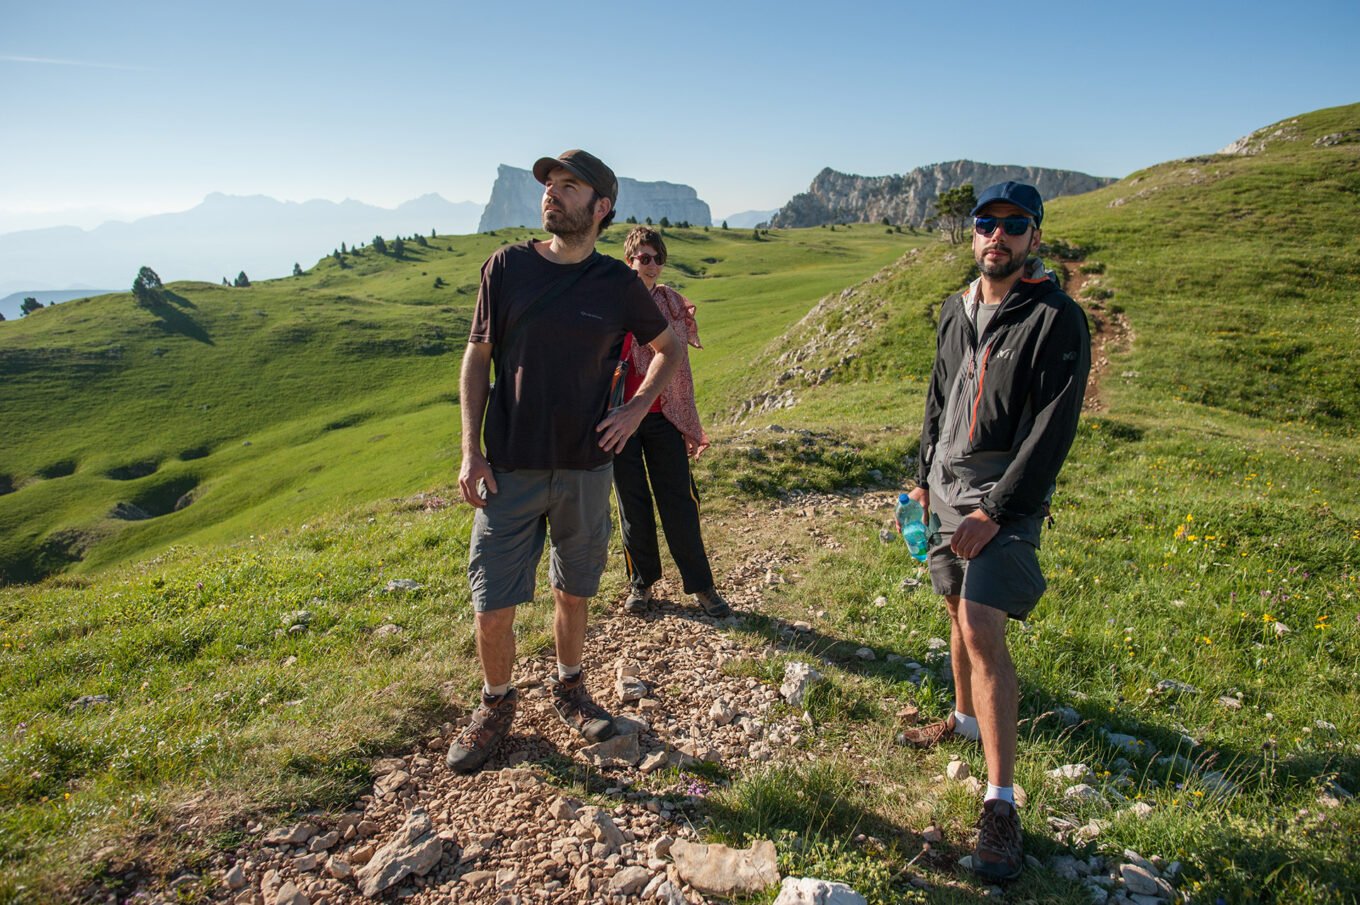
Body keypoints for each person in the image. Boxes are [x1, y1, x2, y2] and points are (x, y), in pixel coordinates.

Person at [448, 149, 682, 774]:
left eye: (568, 185)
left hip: (584, 469)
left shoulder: (617, 283)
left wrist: (634, 411)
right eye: (549, 183)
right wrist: (470, 451)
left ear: (601, 208)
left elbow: (669, 346)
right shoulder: (507, 268)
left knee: (573, 592)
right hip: (510, 467)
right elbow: (477, 359)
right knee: (492, 599)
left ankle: (570, 688)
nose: (552, 192)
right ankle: (496, 705)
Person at [899, 181, 1090, 880]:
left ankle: (1001, 802)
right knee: (953, 607)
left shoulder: (1055, 318)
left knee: (982, 623)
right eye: (987, 224)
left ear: (1034, 237)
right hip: (944, 489)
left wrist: (996, 511)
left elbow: (1052, 429)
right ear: (973, 233)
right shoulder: (956, 308)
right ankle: (963, 719)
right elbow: (939, 394)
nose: (998, 236)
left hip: (1001, 498)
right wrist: (921, 475)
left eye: (1015, 225)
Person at [612, 226, 730, 619]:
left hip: (664, 416)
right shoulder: (610, 303)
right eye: (643, 257)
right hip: (618, 421)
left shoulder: (673, 304)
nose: (650, 265)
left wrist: (686, 418)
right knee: (633, 504)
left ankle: (702, 586)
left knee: (680, 501)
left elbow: (680, 367)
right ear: (629, 259)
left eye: (656, 258)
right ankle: (641, 583)